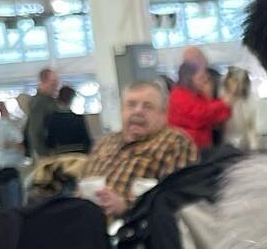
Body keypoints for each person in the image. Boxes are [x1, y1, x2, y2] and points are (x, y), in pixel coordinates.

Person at [81, 80, 198, 220]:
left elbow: (178, 199)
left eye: (148, 106)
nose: (138, 111)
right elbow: (81, 184)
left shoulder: (175, 143)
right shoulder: (103, 142)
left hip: (133, 230)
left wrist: (126, 206)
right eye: (131, 105)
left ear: (163, 114)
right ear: (122, 111)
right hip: (84, 224)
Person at [167, 61, 232, 152]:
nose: (205, 80)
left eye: (206, 77)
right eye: (201, 77)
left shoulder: (197, 94)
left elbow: (216, 118)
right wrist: (223, 103)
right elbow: (199, 116)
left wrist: (209, 96)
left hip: (201, 148)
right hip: (186, 150)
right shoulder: (178, 95)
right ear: (189, 78)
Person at [0, 100, 26, 210]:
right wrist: (20, 147)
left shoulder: (1, 126)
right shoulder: (5, 126)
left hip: (5, 168)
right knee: (14, 207)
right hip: (9, 171)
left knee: (10, 206)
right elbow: (6, 144)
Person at [220, 65, 259, 151]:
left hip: (245, 143)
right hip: (227, 141)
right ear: (228, 80)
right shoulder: (221, 98)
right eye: (235, 80)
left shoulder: (250, 99)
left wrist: (254, 145)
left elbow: (251, 125)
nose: (239, 84)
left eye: (242, 81)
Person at [45, 84, 92, 155]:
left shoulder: (52, 119)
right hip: (79, 155)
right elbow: (87, 141)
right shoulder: (78, 118)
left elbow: (50, 142)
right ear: (71, 100)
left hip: (62, 156)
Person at [24, 68, 61, 159]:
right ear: (43, 82)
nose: (56, 86)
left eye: (56, 83)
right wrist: (44, 153)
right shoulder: (39, 103)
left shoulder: (51, 101)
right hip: (45, 154)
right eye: (52, 83)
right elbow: (35, 130)